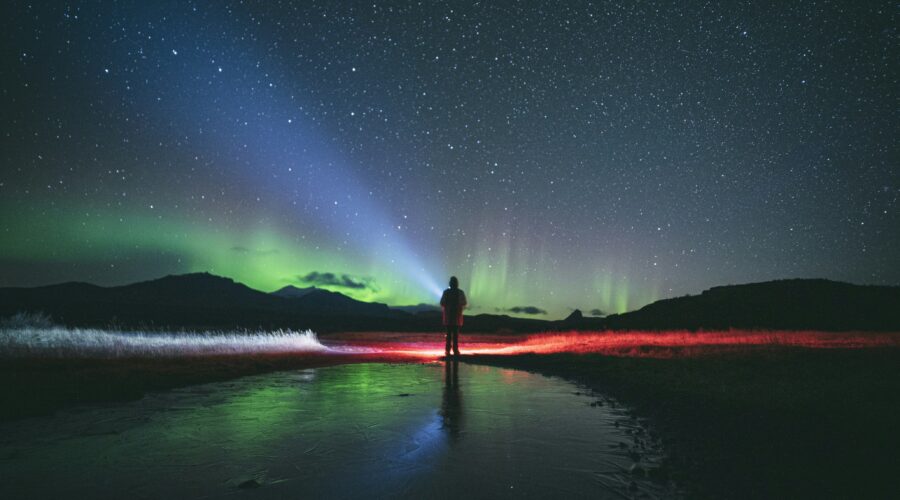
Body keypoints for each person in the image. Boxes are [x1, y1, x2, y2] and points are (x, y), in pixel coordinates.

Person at [440, 276, 467, 357]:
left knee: (449, 335)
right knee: (454, 335)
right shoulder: (460, 292)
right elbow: (464, 302)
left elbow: (442, 302)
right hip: (455, 317)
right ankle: (454, 350)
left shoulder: (446, 292)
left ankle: (448, 351)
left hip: (450, 317)